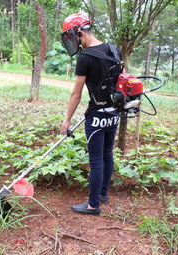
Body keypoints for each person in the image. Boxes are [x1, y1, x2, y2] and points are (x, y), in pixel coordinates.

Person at [60, 13, 122, 215]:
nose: (72, 43)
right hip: (114, 114)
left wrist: (67, 120)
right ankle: (103, 194)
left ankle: (93, 205)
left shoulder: (85, 58)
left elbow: (76, 94)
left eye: (72, 38)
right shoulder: (114, 50)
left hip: (96, 117)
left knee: (96, 160)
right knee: (107, 155)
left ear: (79, 33)